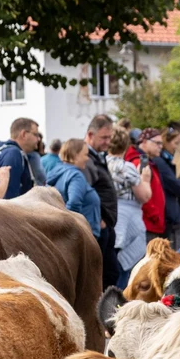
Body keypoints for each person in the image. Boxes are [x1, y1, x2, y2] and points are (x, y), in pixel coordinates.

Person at [107, 127, 151, 290]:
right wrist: (145, 179)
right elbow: (144, 196)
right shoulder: (126, 167)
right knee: (124, 269)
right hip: (128, 216)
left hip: (110, 217)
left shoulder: (102, 163)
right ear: (126, 145)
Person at [83, 114, 119, 288]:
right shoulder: (86, 159)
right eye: (104, 137)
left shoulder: (97, 155)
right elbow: (84, 194)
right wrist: (97, 221)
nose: (108, 142)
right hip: (98, 227)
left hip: (106, 226)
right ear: (90, 135)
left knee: (111, 273)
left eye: (109, 137)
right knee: (105, 276)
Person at [46, 138, 101, 238]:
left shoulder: (59, 171)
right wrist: (67, 228)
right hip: (83, 235)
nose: (87, 158)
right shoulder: (76, 176)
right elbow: (74, 203)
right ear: (75, 155)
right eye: (85, 155)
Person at [126, 128, 167, 242]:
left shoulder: (148, 162)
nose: (160, 146)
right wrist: (155, 216)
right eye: (157, 143)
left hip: (151, 223)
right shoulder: (139, 163)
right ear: (143, 142)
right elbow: (141, 194)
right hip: (148, 224)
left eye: (161, 143)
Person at [0, 117, 39, 198]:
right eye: (36, 134)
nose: (38, 139)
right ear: (24, 134)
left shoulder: (5, 151)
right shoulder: (14, 154)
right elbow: (9, 197)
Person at [156, 121, 180, 243]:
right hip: (167, 215)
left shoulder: (166, 160)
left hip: (169, 215)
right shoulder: (161, 161)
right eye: (176, 142)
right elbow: (177, 186)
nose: (177, 146)